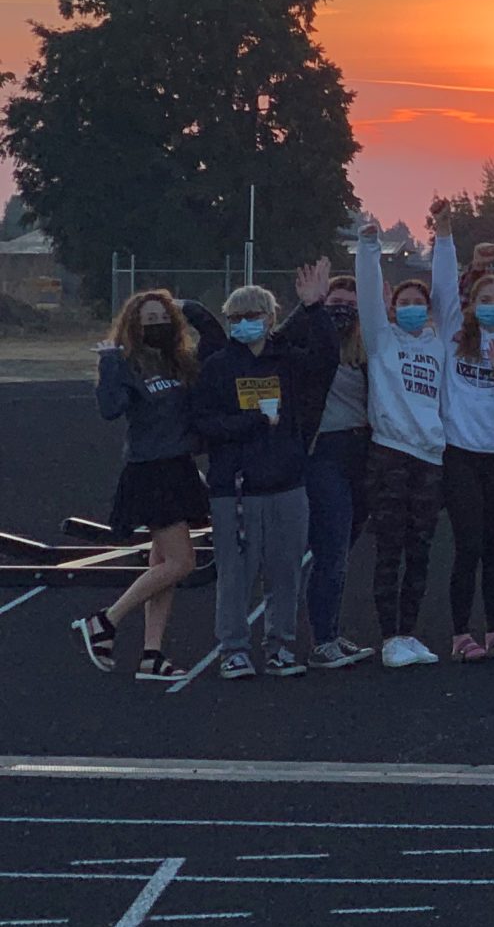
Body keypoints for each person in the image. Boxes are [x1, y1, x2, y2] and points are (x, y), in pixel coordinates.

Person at [185, 270, 338, 681]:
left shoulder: (287, 361)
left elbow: (327, 360)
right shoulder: (216, 366)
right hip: (233, 489)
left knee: (285, 571)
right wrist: (251, 421)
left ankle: (281, 646)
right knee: (235, 574)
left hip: (287, 484)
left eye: (253, 314)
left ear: (270, 318)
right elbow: (202, 423)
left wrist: (314, 308)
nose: (244, 322)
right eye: (236, 316)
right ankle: (233, 649)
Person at [76, 290, 209, 680]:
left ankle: (152, 655)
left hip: (179, 467)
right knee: (183, 562)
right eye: (147, 319)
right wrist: (109, 364)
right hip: (151, 472)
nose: (155, 325)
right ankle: (106, 620)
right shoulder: (128, 362)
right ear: (134, 325)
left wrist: (194, 310)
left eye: (161, 317)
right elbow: (110, 409)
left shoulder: (178, 361)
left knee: (163, 564)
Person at [354, 217, 450, 669]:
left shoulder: (438, 344)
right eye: (404, 302)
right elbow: (369, 299)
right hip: (390, 454)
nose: (411, 307)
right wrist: (368, 247)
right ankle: (389, 636)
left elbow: (449, 294)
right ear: (394, 309)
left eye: (419, 302)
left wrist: (446, 238)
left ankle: (409, 632)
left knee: (421, 549)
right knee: (390, 548)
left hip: (430, 458)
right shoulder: (381, 342)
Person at [437, 222, 494, 661]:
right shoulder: (454, 339)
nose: (491, 306)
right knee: (467, 544)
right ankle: (459, 634)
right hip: (461, 456)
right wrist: (470, 263)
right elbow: (445, 295)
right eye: (484, 300)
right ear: (472, 305)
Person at [299, 272, 376, 669]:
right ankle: (322, 641)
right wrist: (310, 306)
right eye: (335, 306)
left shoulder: (367, 350)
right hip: (323, 451)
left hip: (362, 451)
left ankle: (329, 628)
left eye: (351, 306)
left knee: (343, 546)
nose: (343, 312)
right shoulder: (310, 346)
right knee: (330, 550)